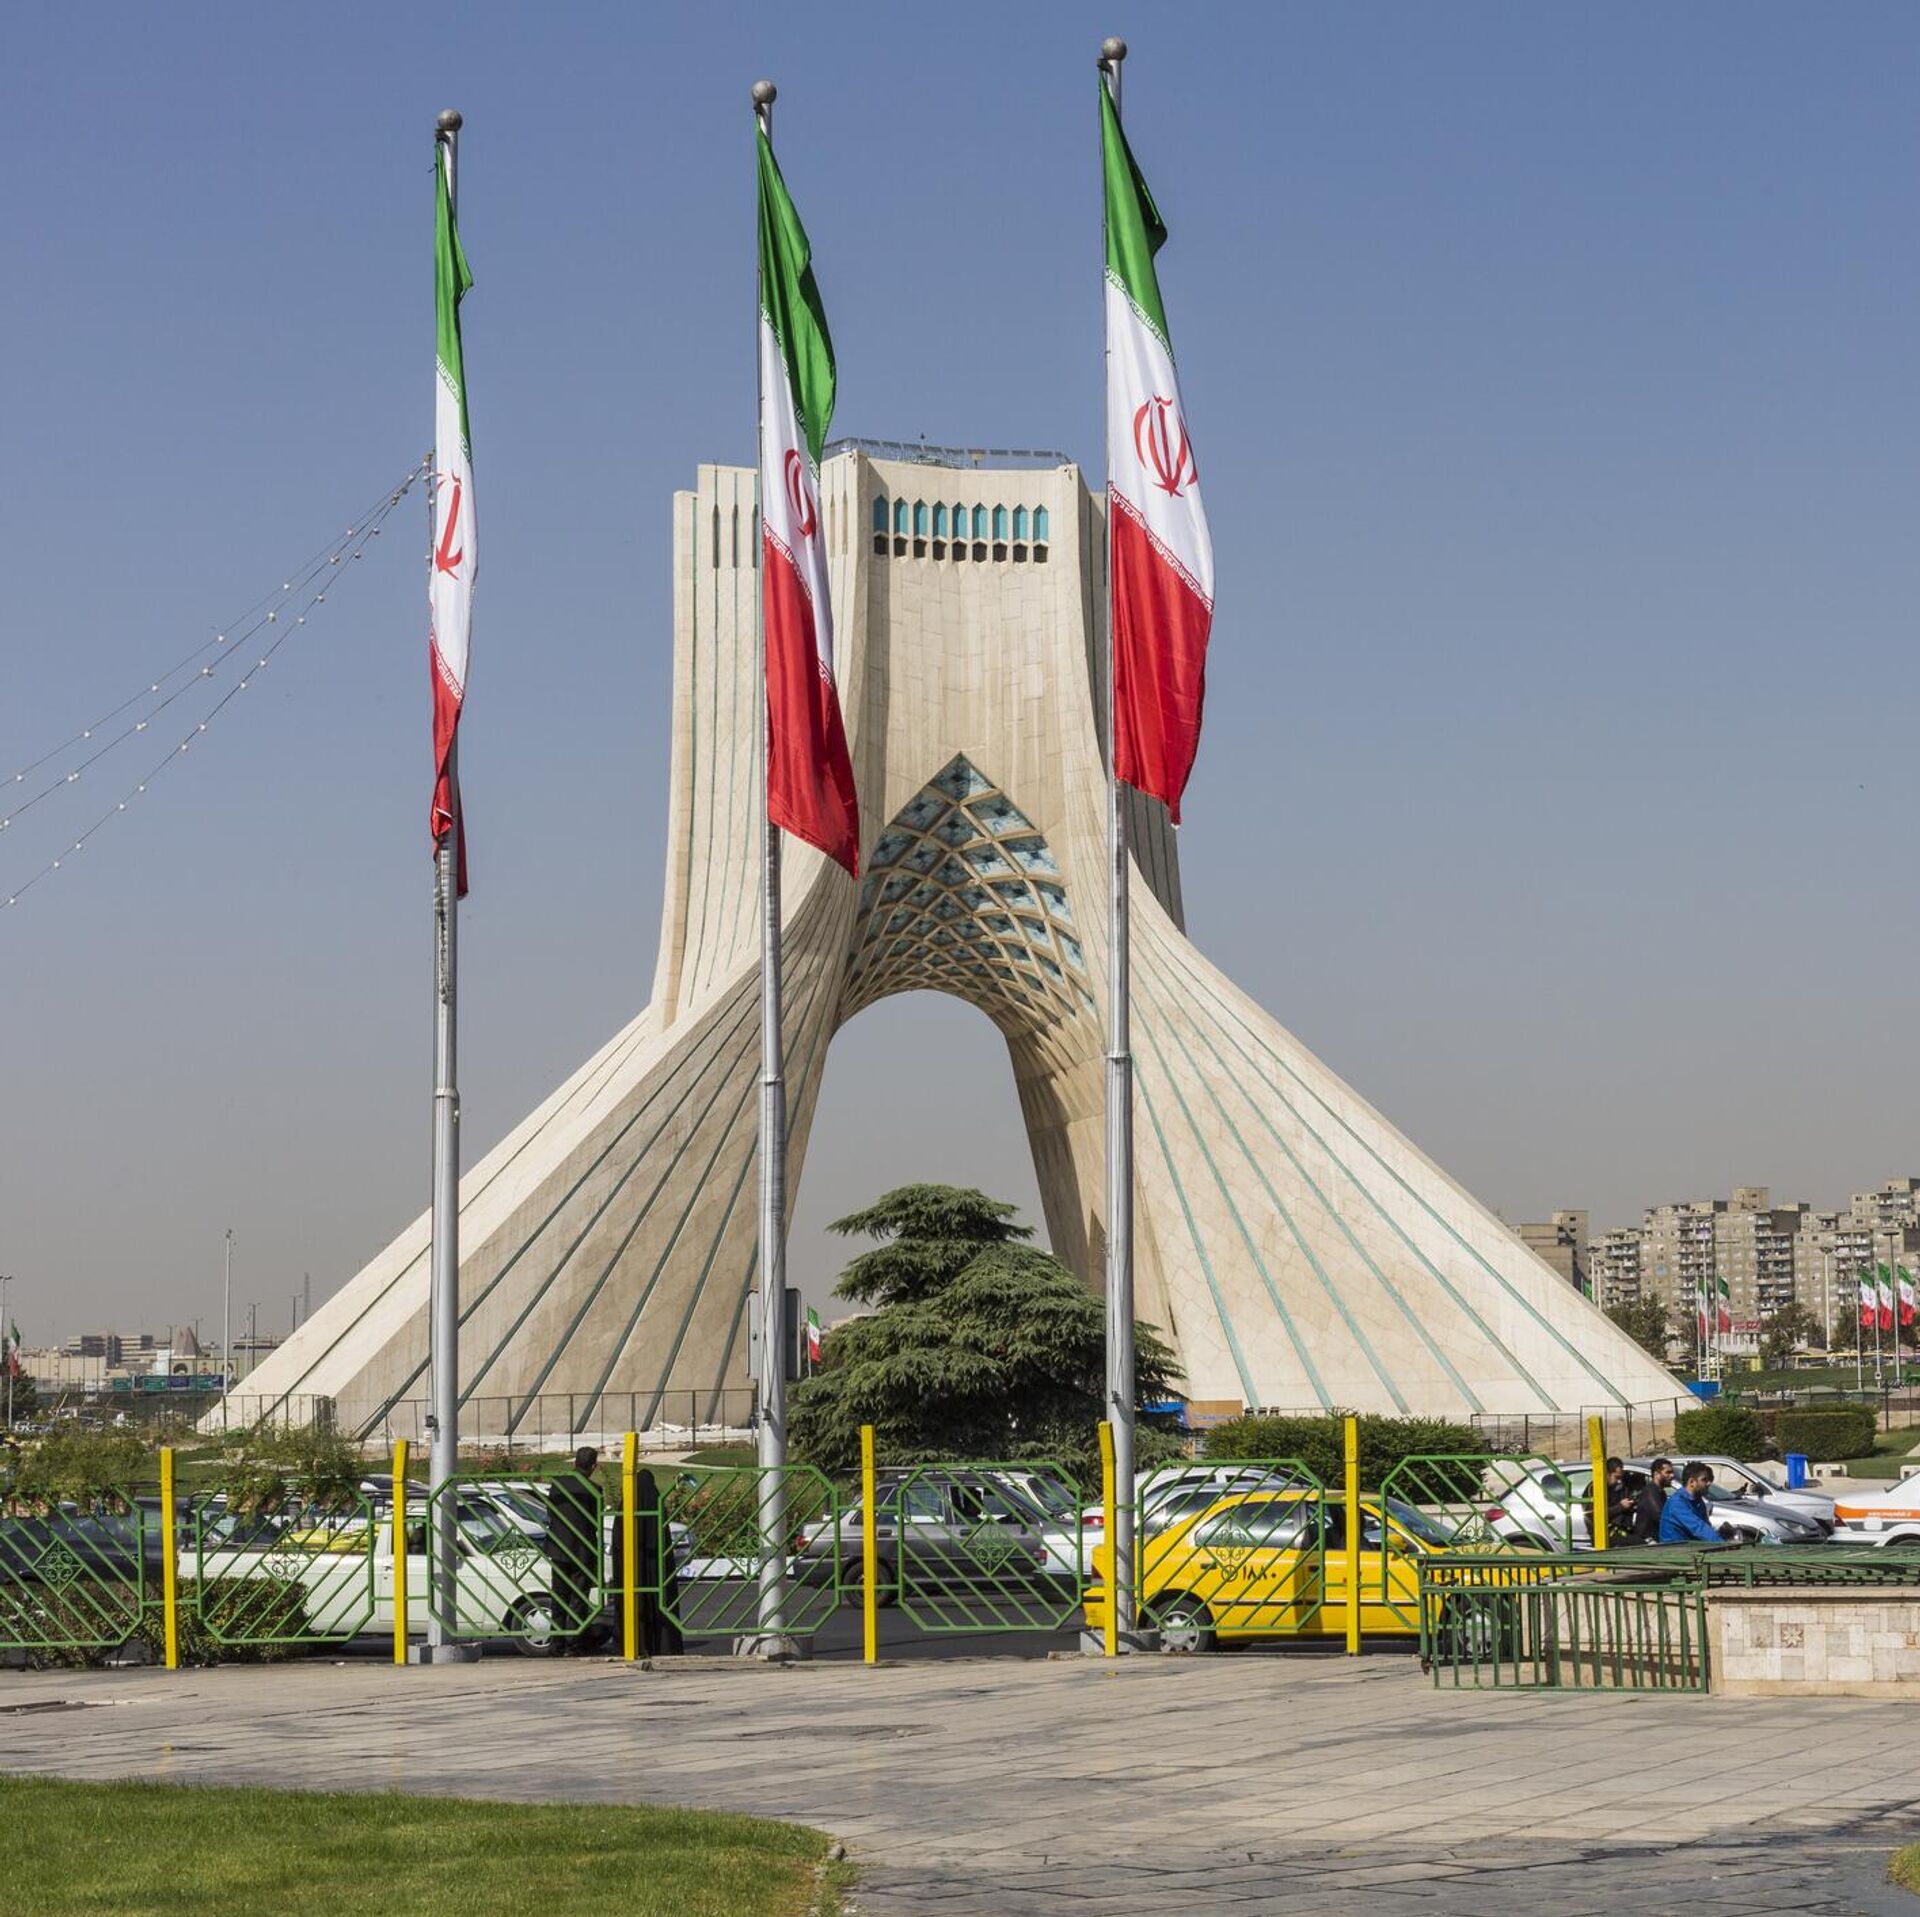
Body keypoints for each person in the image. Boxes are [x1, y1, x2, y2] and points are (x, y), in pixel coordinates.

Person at [542, 1446, 603, 1654]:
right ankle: (575, 1643)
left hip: (559, 1549)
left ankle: (556, 1643)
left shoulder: (558, 1484)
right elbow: (595, 1520)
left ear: (575, 1462)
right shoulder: (593, 1489)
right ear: (593, 1466)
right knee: (579, 1599)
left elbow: (551, 1512)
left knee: (559, 1597)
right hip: (582, 1550)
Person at [1657, 1460, 1723, 1545]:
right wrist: (1724, 1544)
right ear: (1691, 1482)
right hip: (1674, 1549)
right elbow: (1698, 1528)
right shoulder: (1677, 1503)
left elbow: (1706, 1527)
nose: (1708, 1483)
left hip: (1690, 1547)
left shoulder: (1698, 1500)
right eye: (1704, 1479)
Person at [1629, 1458, 1675, 1543]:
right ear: (1656, 1474)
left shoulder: (1660, 1492)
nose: (1672, 1476)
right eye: (1668, 1472)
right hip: (1647, 1540)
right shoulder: (1650, 1491)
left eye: (1672, 1472)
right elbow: (1659, 1515)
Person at [1590, 1457, 1634, 1547]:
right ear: (1607, 1474)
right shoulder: (1594, 1489)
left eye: (1621, 1477)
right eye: (1616, 1477)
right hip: (1603, 1534)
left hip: (1621, 1530)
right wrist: (1620, 1507)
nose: (1619, 1481)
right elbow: (1594, 1513)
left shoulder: (1620, 1487)